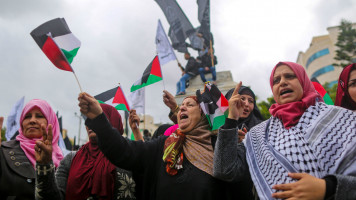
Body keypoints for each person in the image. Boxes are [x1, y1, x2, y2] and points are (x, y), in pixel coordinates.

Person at [214, 62, 356, 200]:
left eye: (289, 76)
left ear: (303, 81)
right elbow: (225, 171)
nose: (282, 82)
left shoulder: (343, 119)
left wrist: (328, 188)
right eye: (276, 80)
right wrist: (231, 119)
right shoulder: (258, 135)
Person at [78, 92, 226, 200]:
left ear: (203, 115)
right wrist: (99, 119)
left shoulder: (221, 149)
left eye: (190, 105)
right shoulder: (164, 145)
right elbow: (126, 151)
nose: (181, 109)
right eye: (181, 106)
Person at [35, 104, 136, 200]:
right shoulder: (71, 159)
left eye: (96, 118)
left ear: (113, 122)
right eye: (88, 119)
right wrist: (44, 165)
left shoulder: (128, 156)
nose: (89, 123)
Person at [0, 99, 63, 200]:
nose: (32, 120)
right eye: (27, 116)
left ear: (50, 121)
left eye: (39, 116)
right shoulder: (3, 151)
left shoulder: (63, 160)